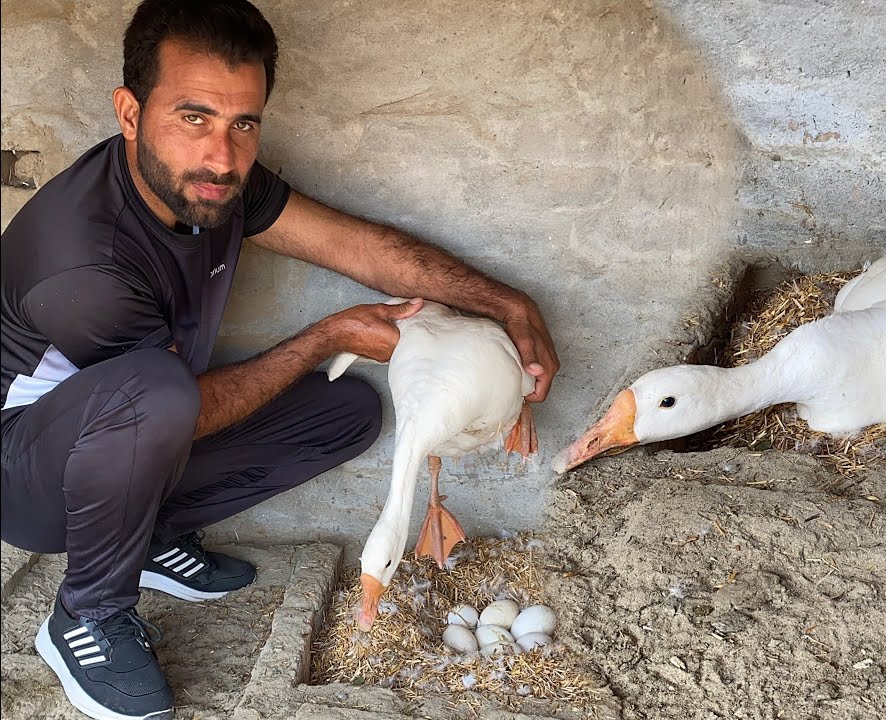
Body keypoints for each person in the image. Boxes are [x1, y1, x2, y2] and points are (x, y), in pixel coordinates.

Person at [0, 1, 559, 718]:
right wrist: (326, 338)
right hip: (24, 474)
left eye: (244, 123)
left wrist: (510, 306)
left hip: (121, 434)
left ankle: (147, 535)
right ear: (130, 113)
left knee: (344, 411)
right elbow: (170, 404)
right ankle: (86, 613)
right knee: (163, 393)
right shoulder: (83, 260)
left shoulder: (214, 185)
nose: (223, 155)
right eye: (193, 117)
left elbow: (357, 247)